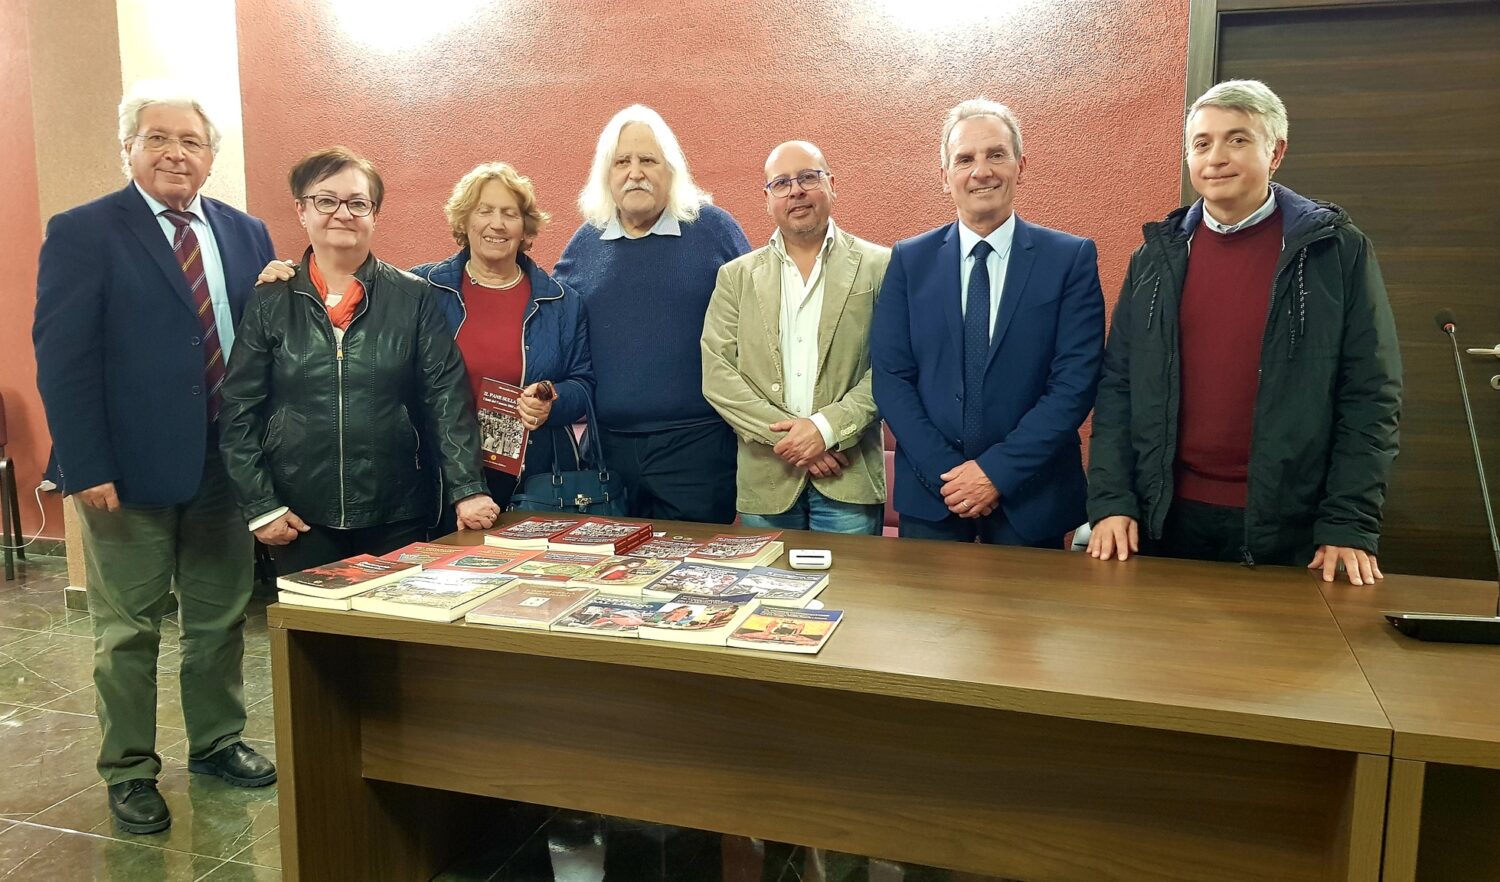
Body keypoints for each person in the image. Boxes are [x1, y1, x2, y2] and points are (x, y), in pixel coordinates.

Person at [33, 82, 277, 834]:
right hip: (126, 473)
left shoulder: (247, 233)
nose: (177, 152)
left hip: (224, 465)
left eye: (192, 141)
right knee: (128, 629)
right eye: (158, 138)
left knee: (219, 618)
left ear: (211, 156)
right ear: (128, 150)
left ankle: (216, 741)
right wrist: (84, 462)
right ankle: (131, 768)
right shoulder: (84, 231)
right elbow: (63, 358)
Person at [1086, 80, 1402, 584]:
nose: (1216, 158)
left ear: (1275, 152)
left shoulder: (1334, 251)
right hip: (1165, 519)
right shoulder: (1156, 257)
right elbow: (1119, 386)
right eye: (1202, 143)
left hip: (1288, 525)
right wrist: (1111, 501)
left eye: (1237, 140)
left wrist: (1348, 520)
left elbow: (1370, 396)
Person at [218, 146, 498, 575]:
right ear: (301, 210)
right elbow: (239, 410)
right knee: (314, 639)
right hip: (300, 514)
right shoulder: (270, 300)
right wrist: (261, 506)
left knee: (393, 637)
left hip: (397, 509)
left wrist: (468, 489)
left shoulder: (413, 298)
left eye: (357, 203)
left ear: (374, 214)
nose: (342, 214)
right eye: (326, 201)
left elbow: (447, 399)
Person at [260, 163, 593, 517]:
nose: (497, 223)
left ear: (525, 226)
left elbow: (584, 385)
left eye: (509, 213)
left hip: (538, 476)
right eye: (484, 211)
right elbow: (344, 300)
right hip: (438, 477)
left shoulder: (561, 302)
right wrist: (290, 278)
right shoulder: (421, 288)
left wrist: (551, 401)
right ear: (464, 221)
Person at [871, 98, 1105, 547]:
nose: (982, 171)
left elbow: (1074, 383)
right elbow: (892, 378)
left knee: (1026, 620)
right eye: (965, 159)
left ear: (1021, 165)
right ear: (945, 178)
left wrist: (996, 473)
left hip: (1032, 496)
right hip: (933, 495)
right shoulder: (908, 260)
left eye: (996, 154)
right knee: (928, 619)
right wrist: (954, 477)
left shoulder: (1069, 259)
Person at [554, 105, 751, 524]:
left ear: (672, 170)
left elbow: (758, 323)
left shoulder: (713, 229)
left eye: (648, 160)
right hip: (606, 452)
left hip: (696, 450)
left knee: (694, 577)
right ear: (606, 174)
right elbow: (557, 328)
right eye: (621, 162)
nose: (634, 172)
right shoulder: (586, 241)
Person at [701, 141, 888, 534]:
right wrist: (799, 438)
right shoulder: (736, 277)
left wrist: (825, 429)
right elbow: (718, 375)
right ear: (767, 198)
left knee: (849, 595)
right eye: (782, 183)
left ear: (832, 184)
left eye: (808, 177)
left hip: (848, 479)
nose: (796, 190)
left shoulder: (880, 266)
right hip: (766, 480)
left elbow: (892, 369)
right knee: (766, 596)